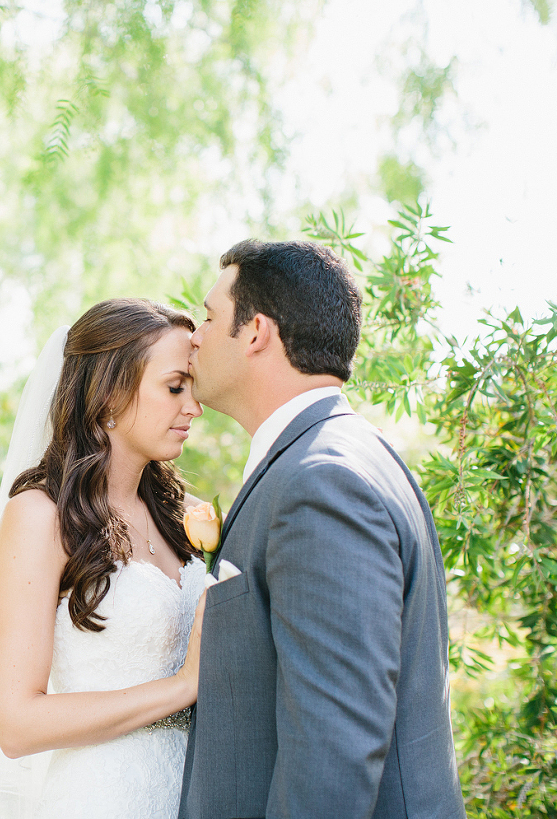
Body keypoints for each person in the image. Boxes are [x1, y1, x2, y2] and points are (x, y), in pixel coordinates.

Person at [178, 240, 466, 819]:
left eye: (209, 317)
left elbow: (334, 746)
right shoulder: (341, 456)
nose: (194, 336)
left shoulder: (321, 481)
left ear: (256, 331)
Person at [0, 298, 208, 819]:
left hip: (192, 793)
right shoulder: (41, 515)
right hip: (103, 799)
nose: (193, 408)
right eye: (175, 386)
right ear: (109, 392)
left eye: (194, 388)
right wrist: (181, 688)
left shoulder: (180, 514)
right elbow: (17, 724)